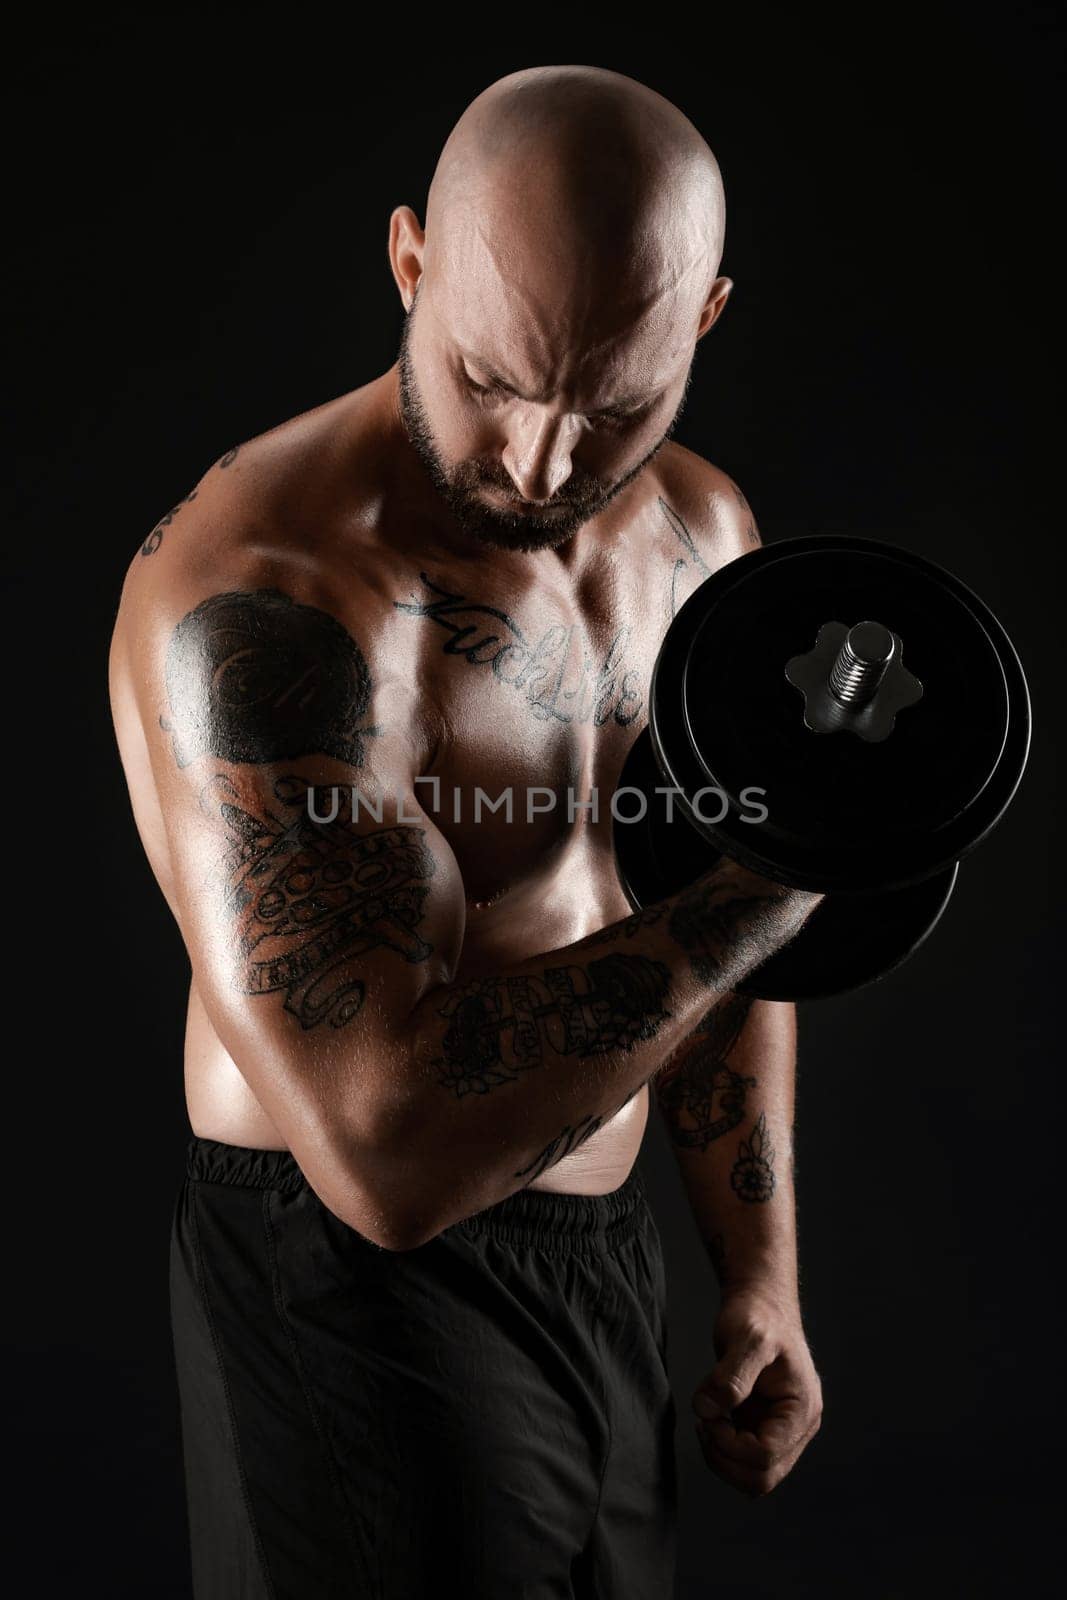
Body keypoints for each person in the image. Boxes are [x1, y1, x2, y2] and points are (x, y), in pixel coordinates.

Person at [109, 62, 824, 1600]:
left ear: (700, 322)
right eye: (494, 382)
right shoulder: (268, 594)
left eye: (612, 402)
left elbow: (705, 911)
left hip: (603, 1264)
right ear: (409, 262)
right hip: (349, 1291)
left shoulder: (706, 537)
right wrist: (794, 876)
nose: (545, 464)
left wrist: (756, 1271)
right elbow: (386, 1151)